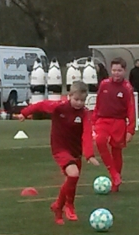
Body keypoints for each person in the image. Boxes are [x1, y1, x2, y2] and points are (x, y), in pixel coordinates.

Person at [18, 81, 100, 224]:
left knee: (72, 181)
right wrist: (25, 113)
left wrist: (89, 154)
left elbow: (87, 134)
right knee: (73, 173)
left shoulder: (85, 113)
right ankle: (67, 206)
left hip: (76, 151)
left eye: (82, 100)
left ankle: (60, 206)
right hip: (60, 148)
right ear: (69, 96)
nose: (79, 103)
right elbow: (40, 105)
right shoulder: (59, 107)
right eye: (76, 99)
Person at [93, 57, 136, 191]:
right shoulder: (104, 84)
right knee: (99, 141)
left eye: (119, 70)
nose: (116, 73)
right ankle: (113, 173)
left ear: (124, 71)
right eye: (114, 70)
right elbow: (98, 104)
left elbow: (131, 109)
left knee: (117, 151)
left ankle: (115, 183)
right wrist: (93, 121)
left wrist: (130, 130)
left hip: (119, 122)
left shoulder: (127, 88)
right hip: (103, 120)